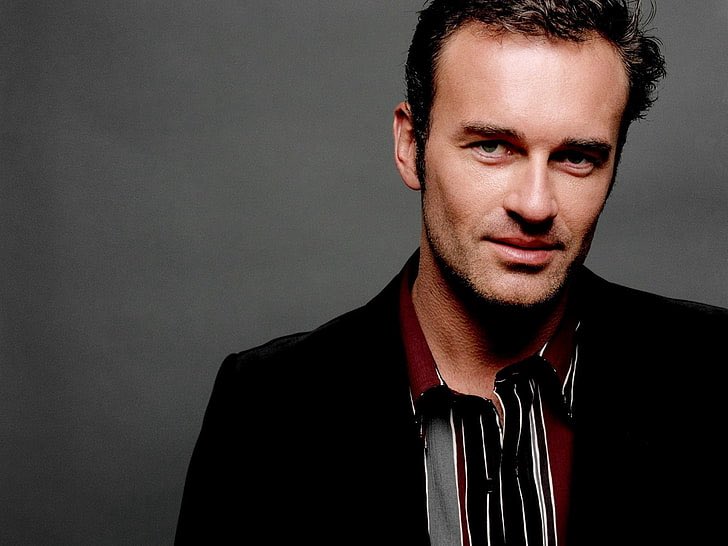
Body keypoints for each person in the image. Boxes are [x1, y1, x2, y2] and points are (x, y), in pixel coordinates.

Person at [175, 1, 727, 544]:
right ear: (410, 145)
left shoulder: (714, 375)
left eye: (577, 157)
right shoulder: (266, 411)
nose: (535, 205)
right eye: (492, 146)